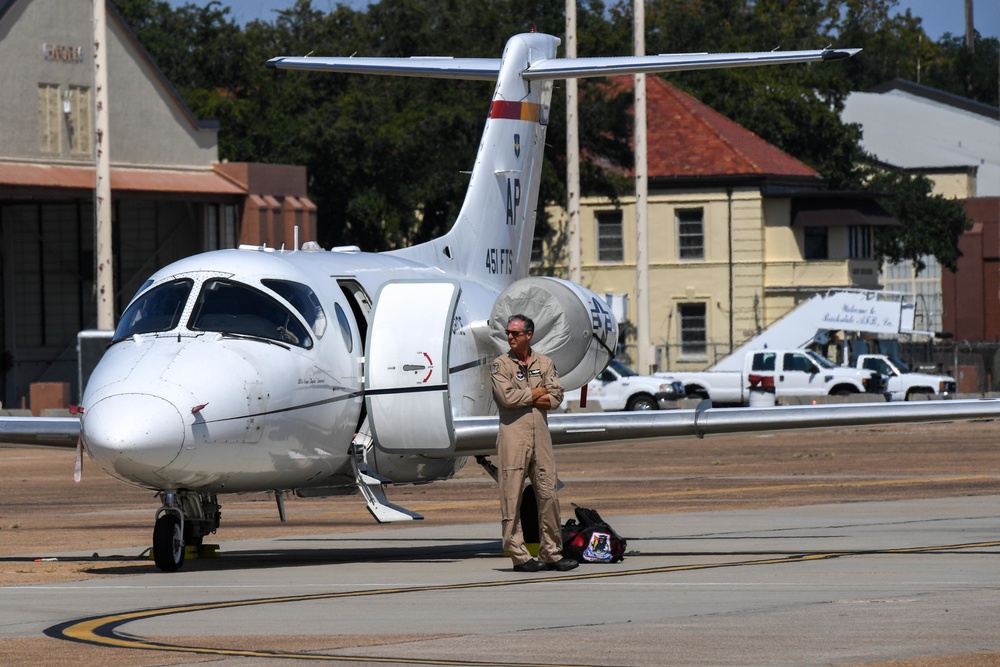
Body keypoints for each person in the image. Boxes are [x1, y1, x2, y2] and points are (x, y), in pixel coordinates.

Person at [490, 314, 578, 573]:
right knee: (512, 495)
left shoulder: (545, 362)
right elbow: (506, 398)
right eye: (508, 333)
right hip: (513, 437)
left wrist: (528, 396)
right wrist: (538, 391)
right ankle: (519, 555)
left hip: (541, 436)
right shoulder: (500, 365)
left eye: (515, 333)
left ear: (529, 335)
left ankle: (551, 552)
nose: (510, 337)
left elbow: (556, 396)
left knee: (548, 493)